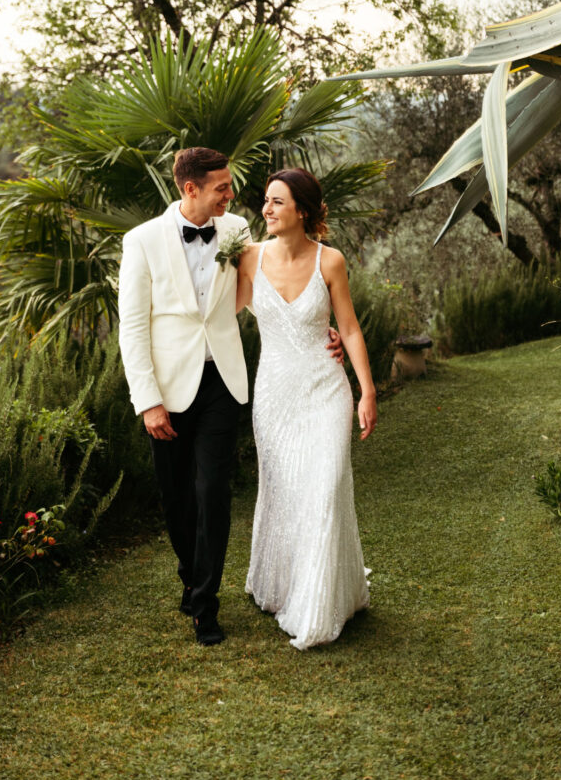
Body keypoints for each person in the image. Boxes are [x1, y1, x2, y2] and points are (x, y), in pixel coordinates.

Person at [118, 147, 344, 646]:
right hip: (168, 390)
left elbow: (283, 276)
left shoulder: (239, 231)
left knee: (213, 492)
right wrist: (147, 401)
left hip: (224, 380)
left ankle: (205, 606)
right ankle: (191, 575)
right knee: (177, 498)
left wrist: (321, 331)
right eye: (221, 186)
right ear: (190, 188)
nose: (231, 194)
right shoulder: (141, 242)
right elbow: (131, 329)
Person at [236, 167, 377, 650]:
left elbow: (351, 328)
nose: (266, 210)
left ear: (303, 210)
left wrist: (367, 390)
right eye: (266, 201)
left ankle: (320, 604)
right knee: (287, 492)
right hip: (275, 397)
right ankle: (285, 585)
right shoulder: (247, 258)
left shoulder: (330, 261)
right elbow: (216, 316)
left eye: (276, 202)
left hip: (326, 391)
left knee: (325, 486)